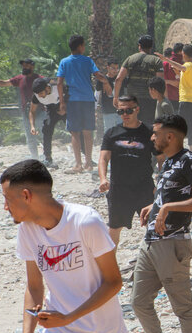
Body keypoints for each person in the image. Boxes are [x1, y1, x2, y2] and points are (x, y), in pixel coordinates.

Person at [1, 159, 126, 333]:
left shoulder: (85, 221)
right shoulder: (27, 230)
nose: (5, 207)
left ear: (26, 195)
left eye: (7, 200)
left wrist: (69, 317)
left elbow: (113, 282)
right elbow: (34, 286)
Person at [132, 114, 192, 333]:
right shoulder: (166, 162)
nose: (152, 137)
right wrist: (153, 207)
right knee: (139, 302)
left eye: (156, 133)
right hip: (151, 241)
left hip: (173, 243)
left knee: (183, 309)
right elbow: (167, 195)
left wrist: (167, 209)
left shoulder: (189, 161)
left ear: (171, 137)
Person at [98, 95, 157, 248]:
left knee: (154, 228)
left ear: (137, 109)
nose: (125, 114)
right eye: (121, 111)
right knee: (114, 230)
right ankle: (109, 269)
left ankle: (156, 267)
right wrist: (103, 179)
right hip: (119, 190)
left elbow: (163, 159)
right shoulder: (111, 133)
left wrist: (162, 183)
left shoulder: (149, 132)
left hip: (144, 188)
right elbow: (103, 159)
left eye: (129, 110)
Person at [57, 35, 111, 173]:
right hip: (87, 99)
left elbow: (59, 83)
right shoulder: (88, 60)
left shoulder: (64, 62)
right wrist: (106, 82)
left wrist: (62, 102)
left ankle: (78, 165)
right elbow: (98, 75)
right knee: (88, 132)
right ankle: (88, 163)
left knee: (75, 133)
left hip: (73, 100)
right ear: (80, 46)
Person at [0, 58, 42, 160]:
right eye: (23, 66)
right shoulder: (20, 79)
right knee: (30, 138)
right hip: (26, 112)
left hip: (40, 111)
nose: (24, 67)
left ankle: (47, 157)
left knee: (44, 134)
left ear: (32, 66)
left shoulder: (39, 79)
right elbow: (4, 83)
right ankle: (35, 159)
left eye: (26, 65)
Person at [156, 44, 192, 149]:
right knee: (190, 122)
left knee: (178, 123)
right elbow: (184, 75)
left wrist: (165, 59)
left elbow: (182, 67)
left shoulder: (188, 65)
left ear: (183, 54)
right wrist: (177, 72)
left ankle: (176, 145)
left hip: (185, 99)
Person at [115, 35, 164, 127]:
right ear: (151, 47)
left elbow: (118, 79)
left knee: (132, 124)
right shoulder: (156, 61)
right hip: (150, 99)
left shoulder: (130, 59)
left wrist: (115, 97)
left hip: (132, 99)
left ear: (139, 46)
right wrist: (162, 99)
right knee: (148, 125)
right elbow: (159, 82)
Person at [29, 78, 67, 169]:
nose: (40, 96)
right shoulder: (36, 96)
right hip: (51, 109)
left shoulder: (58, 88)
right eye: (38, 94)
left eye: (41, 93)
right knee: (46, 129)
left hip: (65, 106)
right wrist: (32, 126)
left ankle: (86, 155)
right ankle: (48, 158)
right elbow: (32, 111)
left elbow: (72, 95)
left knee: (75, 129)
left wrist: (65, 108)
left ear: (47, 88)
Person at [97, 58, 120, 133]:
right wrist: (96, 105)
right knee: (109, 132)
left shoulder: (120, 79)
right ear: (108, 68)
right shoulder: (102, 79)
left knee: (120, 132)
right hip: (108, 110)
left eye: (117, 68)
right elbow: (97, 93)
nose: (115, 70)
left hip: (120, 111)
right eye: (113, 68)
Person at [163, 43, 184, 112]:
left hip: (169, 97)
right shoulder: (184, 65)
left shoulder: (166, 63)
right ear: (180, 52)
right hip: (182, 97)